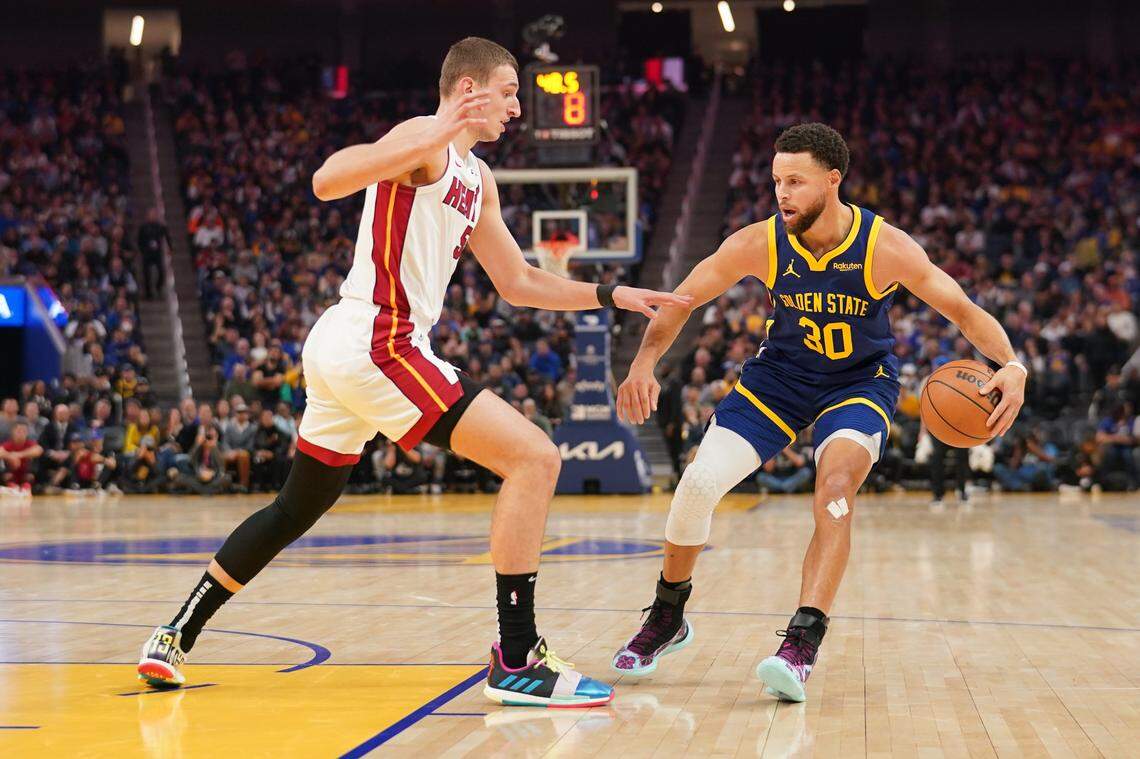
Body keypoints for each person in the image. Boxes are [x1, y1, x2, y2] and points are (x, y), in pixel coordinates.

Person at [137, 36, 688, 707]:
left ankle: (172, 634)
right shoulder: (426, 140)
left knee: (295, 506)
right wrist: (431, 132)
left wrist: (610, 294)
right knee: (535, 459)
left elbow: (516, 280)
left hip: (348, 344)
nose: (518, 106)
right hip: (379, 340)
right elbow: (328, 179)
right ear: (468, 89)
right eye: (510, 90)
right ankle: (517, 656)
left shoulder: (476, 178)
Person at [610, 123, 1027, 702]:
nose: (782, 193)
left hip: (858, 383)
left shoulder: (886, 247)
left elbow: (962, 308)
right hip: (778, 378)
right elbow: (682, 298)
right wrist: (644, 362)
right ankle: (667, 615)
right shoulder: (759, 241)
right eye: (777, 180)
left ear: (833, 180)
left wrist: (1012, 363)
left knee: (834, 488)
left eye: (796, 182)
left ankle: (801, 642)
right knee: (698, 484)